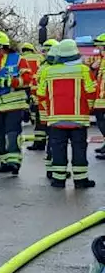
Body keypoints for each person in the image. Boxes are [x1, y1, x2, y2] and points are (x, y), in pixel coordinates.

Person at [39, 39, 97, 189]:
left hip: (56, 120)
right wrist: (87, 109)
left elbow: (40, 94)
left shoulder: (47, 71)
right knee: (79, 149)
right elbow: (91, 92)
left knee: (58, 149)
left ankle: (58, 180)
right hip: (79, 119)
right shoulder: (83, 70)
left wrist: (49, 113)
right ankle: (80, 180)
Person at [0, 31, 33, 175]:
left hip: (14, 104)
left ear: (1, 45)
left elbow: (29, 79)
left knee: (12, 133)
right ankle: (4, 162)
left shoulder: (18, 60)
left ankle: (14, 162)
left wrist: (12, 81)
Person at [21, 42, 48, 152]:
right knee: (38, 116)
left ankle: (38, 142)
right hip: (37, 88)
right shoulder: (40, 58)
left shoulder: (20, 58)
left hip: (24, 86)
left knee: (36, 115)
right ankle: (40, 142)